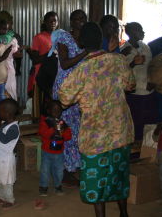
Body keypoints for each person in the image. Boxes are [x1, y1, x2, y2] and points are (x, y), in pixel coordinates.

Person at [58, 22, 135, 217]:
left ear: (82, 42)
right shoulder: (119, 60)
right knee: (119, 175)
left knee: (96, 182)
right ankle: (124, 213)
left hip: (95, 137)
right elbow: (131, 85)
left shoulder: (82, 69)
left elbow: (64, 98)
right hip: (120, 131)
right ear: (101, 39)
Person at [50, 9, 87, 183]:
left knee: (77, 128)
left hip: (79, 88)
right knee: (64, 128)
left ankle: (73, 166)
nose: (80, 21)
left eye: (83, 18)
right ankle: (64, 169)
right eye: (77, 19)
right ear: (71, 21)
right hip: (65, 88)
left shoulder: (87, 39)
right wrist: (84, 53)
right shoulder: (63, 38)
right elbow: (64, 64)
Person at [121, 22, 156, 140]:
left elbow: (151, 66)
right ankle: (135, 154)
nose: (143, 32)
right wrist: (133, 63)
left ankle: (148, 153)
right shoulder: (124, 50)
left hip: (148, 92)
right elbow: (121, 71)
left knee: (149, 125)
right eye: (139, 30)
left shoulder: (145, 47)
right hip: (135, 94)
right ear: (130, 33)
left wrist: (152, 80)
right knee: (135, 125)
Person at [0, 98, 20, 209]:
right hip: (0, 158)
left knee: (6, 181)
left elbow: (5, 139)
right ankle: (1, 197)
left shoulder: (14, 128)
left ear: (7, 113)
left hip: (7, 160)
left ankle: (10, 200)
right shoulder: (3, 124)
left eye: (0, 111)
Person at [27, 11, 59, 117]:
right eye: (50, 21)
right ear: (45, 22)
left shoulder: (61, 36)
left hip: (57, 74)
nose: (53, 23)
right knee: (45, 106)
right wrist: (50, 54)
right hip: (43, 76)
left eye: (55, 20)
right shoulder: (39, 37)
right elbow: (35, 60)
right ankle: (44, 128)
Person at [38, 100, 72, 196]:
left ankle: (58, 186)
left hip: (59, 153)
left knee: (59, 171)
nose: (56, 112)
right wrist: (53, 129)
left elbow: (69, 136)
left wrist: (62, 132)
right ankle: (43, 187)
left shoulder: (63, 123)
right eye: (54, 110)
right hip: (47, 152)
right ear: (49, 111)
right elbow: (42, 132)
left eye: (59, 110)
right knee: (45, 170)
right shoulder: (45, 122)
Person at [0, 18, 20, 100]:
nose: (3, 31)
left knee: (9, 86)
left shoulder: (12, 40)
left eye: (6, 29)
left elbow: (16, 53)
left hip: (8, 65)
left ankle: (11, 104)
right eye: (1, 28)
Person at [0, 11, 24, 76]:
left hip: (5, 71)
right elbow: (19, 56)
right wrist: (18, 70)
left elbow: (19, 55)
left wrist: (17, 69)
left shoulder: (14, 37)